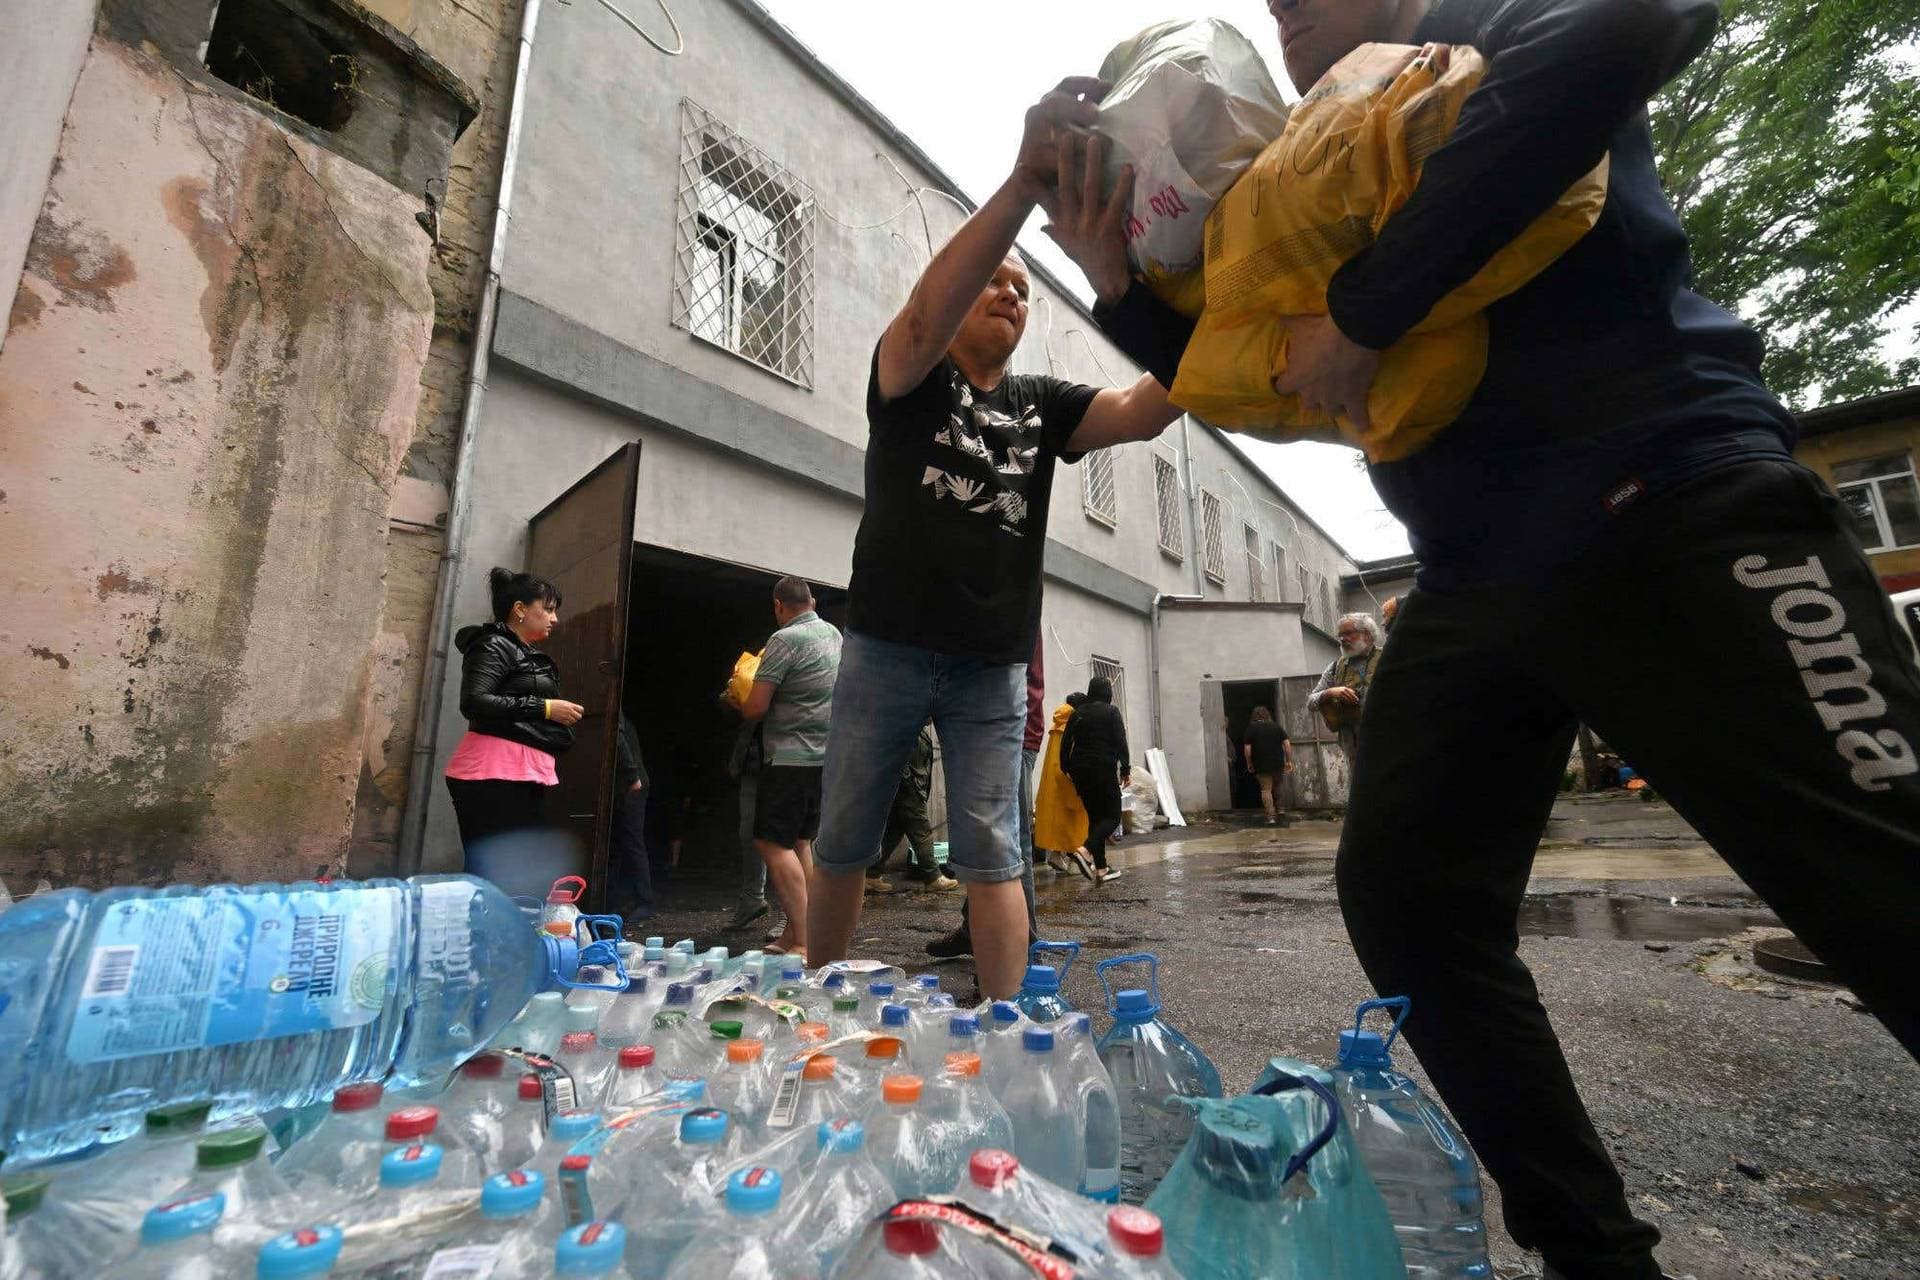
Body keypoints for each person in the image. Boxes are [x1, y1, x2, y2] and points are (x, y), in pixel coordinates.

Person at [1062, 3, 1920, 1277]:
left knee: (1888, 884)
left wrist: (1366, 309)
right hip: (1474, 567)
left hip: (1667, 496)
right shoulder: (1324, 153)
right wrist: (1121, 284)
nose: (1283, 12)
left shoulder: (1472, 30)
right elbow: (1257, 371)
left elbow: (1636, 21)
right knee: (1411, 899)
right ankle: (1591, 1250)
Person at [804, 81, 1182, 999]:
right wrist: (1020, 185)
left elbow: (1143, 412)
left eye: (1022, 289)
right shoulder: (910, 373)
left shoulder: (1043, 404)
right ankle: (820, 1002)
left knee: (991, 849)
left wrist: (1191, 307)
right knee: (849, 834)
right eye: (995, 283)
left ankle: (1007, 1024)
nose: (1009, 294)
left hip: (989, 665)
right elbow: (929, 314)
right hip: (886, 647)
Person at [444, 568, 582, 885]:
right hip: (492, 774)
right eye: (547, 609)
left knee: (516, 873)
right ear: (520, 609)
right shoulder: (493, 645)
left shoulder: (523, 652)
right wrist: (546, 707)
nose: (554, 619)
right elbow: (475, 702)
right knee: (495, 873)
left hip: (519, 772)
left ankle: (505, 931)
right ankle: (486, 932)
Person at [737, 576, 841, 958]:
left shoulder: (783, 641)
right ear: (812, 600)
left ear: (778, 606)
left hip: (788, 758)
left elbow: (756, 707)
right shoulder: (832, 634)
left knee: (770, 842)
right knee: (800, 842)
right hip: (821, 757)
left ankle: (804, 939)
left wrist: (736, 699)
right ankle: (798, 932)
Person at [927, 639, 1049, 961]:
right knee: (986, 840)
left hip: (1010, 730)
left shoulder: (1011, 594)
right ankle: (975, 930)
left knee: (1008, 844)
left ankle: (1023, 953)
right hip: (989, 728)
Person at [867, 722, 957, 892]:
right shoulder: (904, 727)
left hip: (909, 785)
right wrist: (907, 780)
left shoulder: (916, 729)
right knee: (921, 830)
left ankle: (871, 873)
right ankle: (933, 876)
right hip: (907, 787)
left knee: (894, 831)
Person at [1061, 675, 1130, 884]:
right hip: (1102, 769)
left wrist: (1067, 768)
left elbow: (1066, 742)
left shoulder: (1078, 713)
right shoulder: (1111, 712)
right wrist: (1125, 769)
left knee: (1096, 819)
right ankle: (1085, 850)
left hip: (1080, 772)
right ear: (1107, 693)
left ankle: (1101, 868)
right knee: (1112, 817)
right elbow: (1120, 741)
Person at [1307, 613, 1383, 761]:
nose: (1342, 639)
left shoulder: (1387, 658)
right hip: (1353, 751)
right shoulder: (1335, 667)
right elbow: (1311, 702)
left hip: (1387, 744)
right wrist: (1330, 693)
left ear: (1366, 634)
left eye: (1348, 633)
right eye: (1340, 635)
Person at [609, 711, 653, 920]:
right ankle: (615, 901)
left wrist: (632, 776)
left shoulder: (615, 716)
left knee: (631, 843)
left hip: (629, 785)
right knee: (619, 844)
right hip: (627, 783)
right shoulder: (622, 716)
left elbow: (619, 743)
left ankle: (643, 901)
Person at [1241, 706, 1294, 826]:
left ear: (1254, 716)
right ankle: (1281, 811)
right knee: (1278, 786)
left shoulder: (1251, 729)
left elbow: (1247, 749)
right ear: (1267, 714)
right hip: (1277, 763)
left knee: (1266, 790)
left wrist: (1249, 763)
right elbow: (1287, 745)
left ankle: (1271, 817)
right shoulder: (1276, 727)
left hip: (1261, 764)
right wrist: (1289, 761)